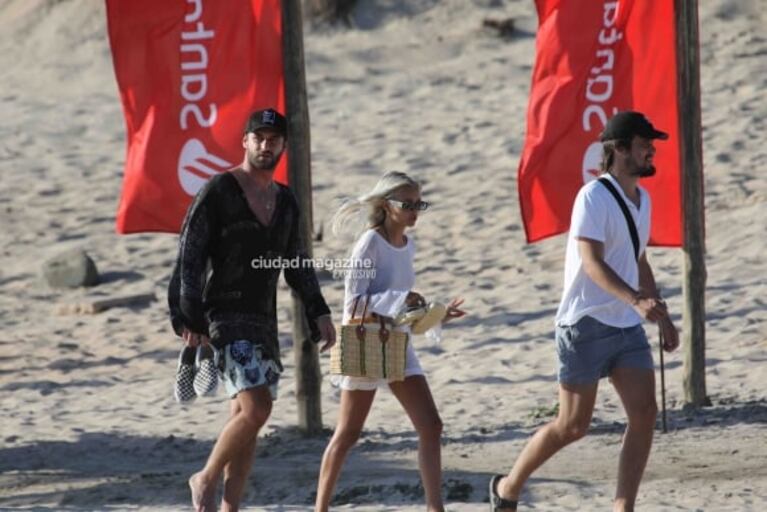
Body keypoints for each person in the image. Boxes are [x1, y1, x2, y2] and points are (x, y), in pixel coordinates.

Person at [489, 111, 680, 512]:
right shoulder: (592, 196)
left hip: (626, 325)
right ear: (620, 149)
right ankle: (508, 487)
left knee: (644, 412)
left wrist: (660, 312)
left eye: (652, 144)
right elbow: (591, 262)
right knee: (573, 426)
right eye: (645, 144)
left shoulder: (642, 198)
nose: (652, 150)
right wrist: (636, 299)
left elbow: (638, 257)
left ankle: (622, 505)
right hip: (585, 324)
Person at [168, 108, 336, 512]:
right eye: (258, 138)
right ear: (244, 141)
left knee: (247, 419)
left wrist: (319, 311)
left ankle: (229, 507)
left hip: (262, 322)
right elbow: (189, 255)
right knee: (259, 407)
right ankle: (204, 478)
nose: (265, 145)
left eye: (273, 139)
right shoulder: (219, 190)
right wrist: (187, 314)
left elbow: (296, 260)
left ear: (283, 146)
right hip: (223, 319)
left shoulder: (286, 202)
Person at [314, 171, 466, 512]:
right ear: (386, 205)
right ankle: (320, 508)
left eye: (419, 204)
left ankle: (434, 507)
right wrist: (401, 299)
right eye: (407, 204)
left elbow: (401, 306)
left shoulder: (406, 244)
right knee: (348, 434)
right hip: (366, 342)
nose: (414, 211)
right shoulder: (370, 243)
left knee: (431, 425)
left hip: (397, 343)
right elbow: (353, 304)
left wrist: (434, 314)